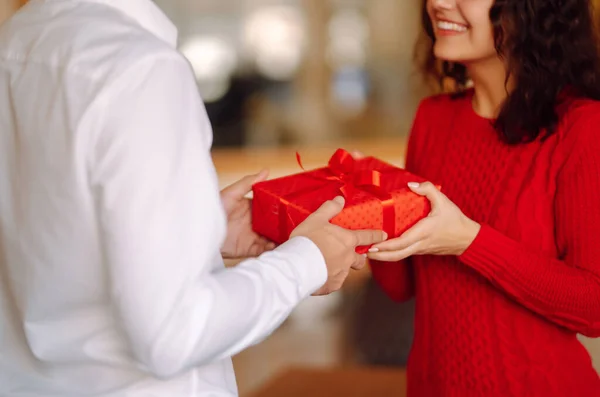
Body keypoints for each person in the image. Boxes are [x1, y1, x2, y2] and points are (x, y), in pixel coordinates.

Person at [0, 0, 386, 395]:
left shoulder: (17, 43)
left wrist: (197, 233)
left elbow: (51, 237)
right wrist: (307, 262)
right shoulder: (139, 68)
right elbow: (173, 334)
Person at [366, 0, 600, 395]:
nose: (438, 3)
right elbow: (402, 286)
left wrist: (469, 241)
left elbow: (593, 307)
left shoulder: (583, 128)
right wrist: (371, 208)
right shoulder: (433, 119)